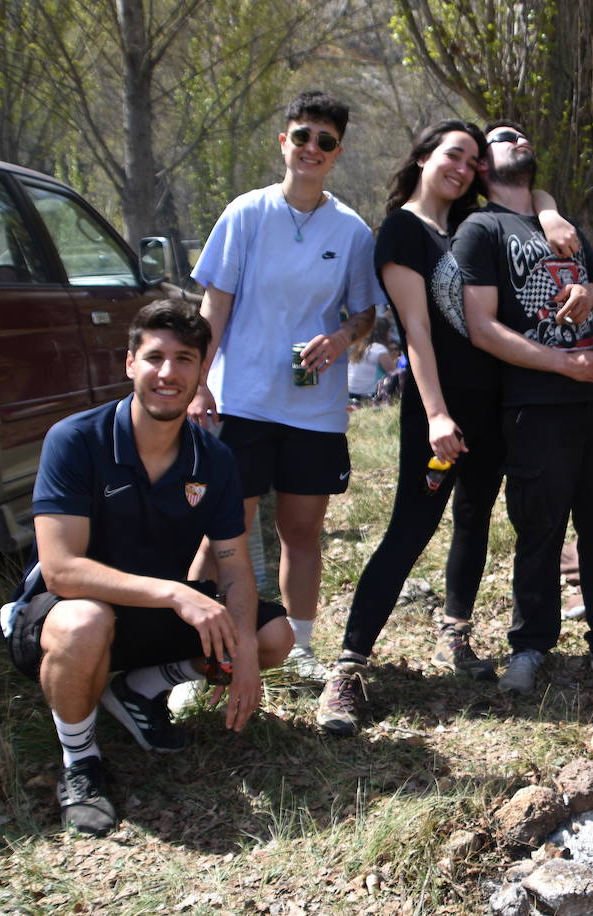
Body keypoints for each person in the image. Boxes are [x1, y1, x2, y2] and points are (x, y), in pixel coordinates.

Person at [316, 120, 577, 735]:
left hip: (495, 404)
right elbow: (418, 332)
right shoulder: (402, 232)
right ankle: (347, 669)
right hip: (441, 410)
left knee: (476, 518)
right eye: (453, 155)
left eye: (473, 160)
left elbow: (527, 197)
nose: (463, 168)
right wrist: (436, 413)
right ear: (424, 158)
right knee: (412, 526)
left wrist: (551, 209)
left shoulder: (470, 225)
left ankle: (453, 635)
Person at [0, 301, 294, 836]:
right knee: (86, 621)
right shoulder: (76, 439)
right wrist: (177, 594)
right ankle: (81, 761)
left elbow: (232, 566)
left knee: (273, 634)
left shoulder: (214, 459)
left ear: (202, 371)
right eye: (155, 357)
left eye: (185, 360)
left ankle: (139, 689)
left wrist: (245, 648)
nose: (168, 373)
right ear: (129, 363)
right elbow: (62, 569)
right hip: (67, 614)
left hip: (149, 611)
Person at [188, 91, 385, 682]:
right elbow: (213, 306)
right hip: (243, 402)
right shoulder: (245, 213)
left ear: (337, 153)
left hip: (313, 412)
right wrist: (200, 384)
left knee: (302, 534)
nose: (311, 150)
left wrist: (342, 337)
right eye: (302, 137)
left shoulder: (350, 231)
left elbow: (365, 312)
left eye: (325, 142)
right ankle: (189, 648)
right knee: (224, 532)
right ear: (284, 141)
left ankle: (298, 648)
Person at [456, 120, 593, 695]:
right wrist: (562, 364)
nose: (521, 139)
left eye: (524, 136)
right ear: (483, 166)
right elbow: (482, 329)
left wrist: (589, 293)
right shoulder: (480, 229)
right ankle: (531, 648)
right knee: (539, 530)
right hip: (538, 404)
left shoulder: (562, 222)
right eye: (505, 138)